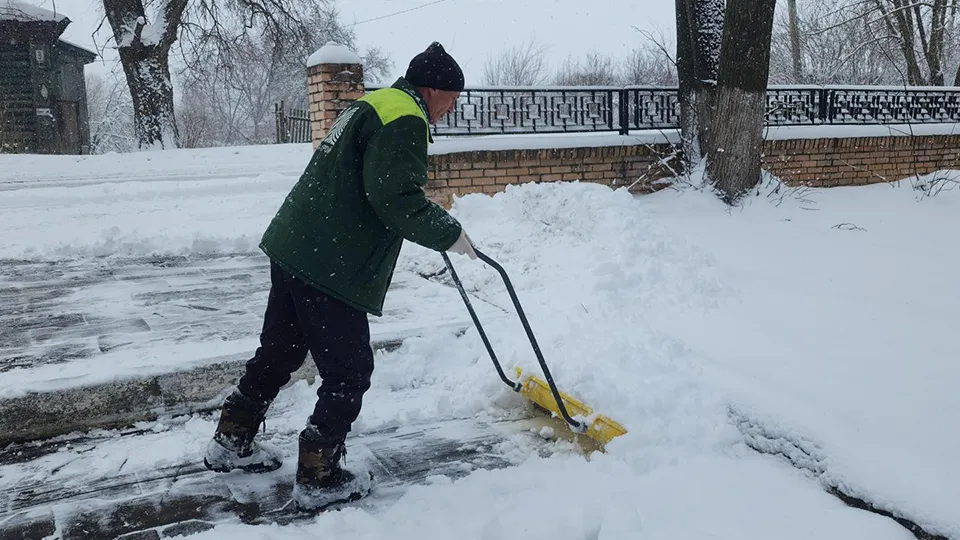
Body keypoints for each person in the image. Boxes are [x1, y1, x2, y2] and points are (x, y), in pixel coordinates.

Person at [202, 41, 477, 511]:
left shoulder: (375, 103)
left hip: (297, 243)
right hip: (329, 259)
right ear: (432, 90)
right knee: (349, 370)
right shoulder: (406, 117)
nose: (452, 108)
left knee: (282, 349)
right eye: (452, 98)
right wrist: (449, 232)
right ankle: (318, 474)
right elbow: (395, 199)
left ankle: (231, 440)